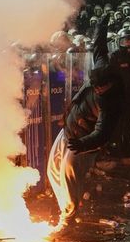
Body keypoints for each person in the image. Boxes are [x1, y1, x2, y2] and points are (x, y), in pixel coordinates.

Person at [47, 18, 119, 221]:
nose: (95, 88)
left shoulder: (110, 103)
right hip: (70, 130)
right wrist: (101, 27)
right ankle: (66, 207)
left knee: (68, 174)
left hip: (84, 140)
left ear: (109, 85)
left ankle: (68, 216)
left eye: (99, 88)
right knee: (52, 169)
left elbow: (102, 132)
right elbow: (99, 47)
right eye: (93, 83)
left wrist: (81, 144)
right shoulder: (102, 69)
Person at [108, 28, 130, 155]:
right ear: (120, 41)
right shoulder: (115, 56)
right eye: (125, 40)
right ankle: (117, 145)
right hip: (119, 95)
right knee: (118, 122)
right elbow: (110, 76)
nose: (128, 42)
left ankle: (129, 144)